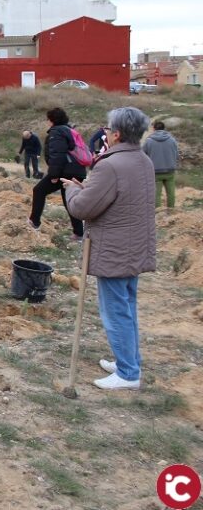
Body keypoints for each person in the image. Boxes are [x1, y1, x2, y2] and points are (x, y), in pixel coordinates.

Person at [64, 107, 155, 390]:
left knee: (115, 311)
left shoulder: (110, 165)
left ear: (116, 134)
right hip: (135, 246)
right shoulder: (143, 160)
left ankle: (128, 373)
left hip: (114, 249)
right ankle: (128, 360)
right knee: (127, 307)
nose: (105, 132)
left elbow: (82, 208)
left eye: (107, 128)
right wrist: (88, 188)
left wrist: (72, 189)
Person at [27, 107, 86, 240]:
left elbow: (57, 155)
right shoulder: (68, 131)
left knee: (39, 190)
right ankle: (79, 233)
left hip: (65, 171)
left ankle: (34, 221)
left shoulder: (56, 133)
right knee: (69, 201)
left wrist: (54, 175)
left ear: (52, 120)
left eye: (48, 119)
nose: (47, 122)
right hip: (77, 171)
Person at [142, 120, 179, 208]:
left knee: (156, 194)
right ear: (164, 128)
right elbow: (176, 154)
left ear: (154, 128)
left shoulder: (149, 141)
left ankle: (158, 213)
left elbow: (143, 156)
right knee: (171, 193)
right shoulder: (172, 140)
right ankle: (171, 211)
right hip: (170, 171)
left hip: (155, 172)